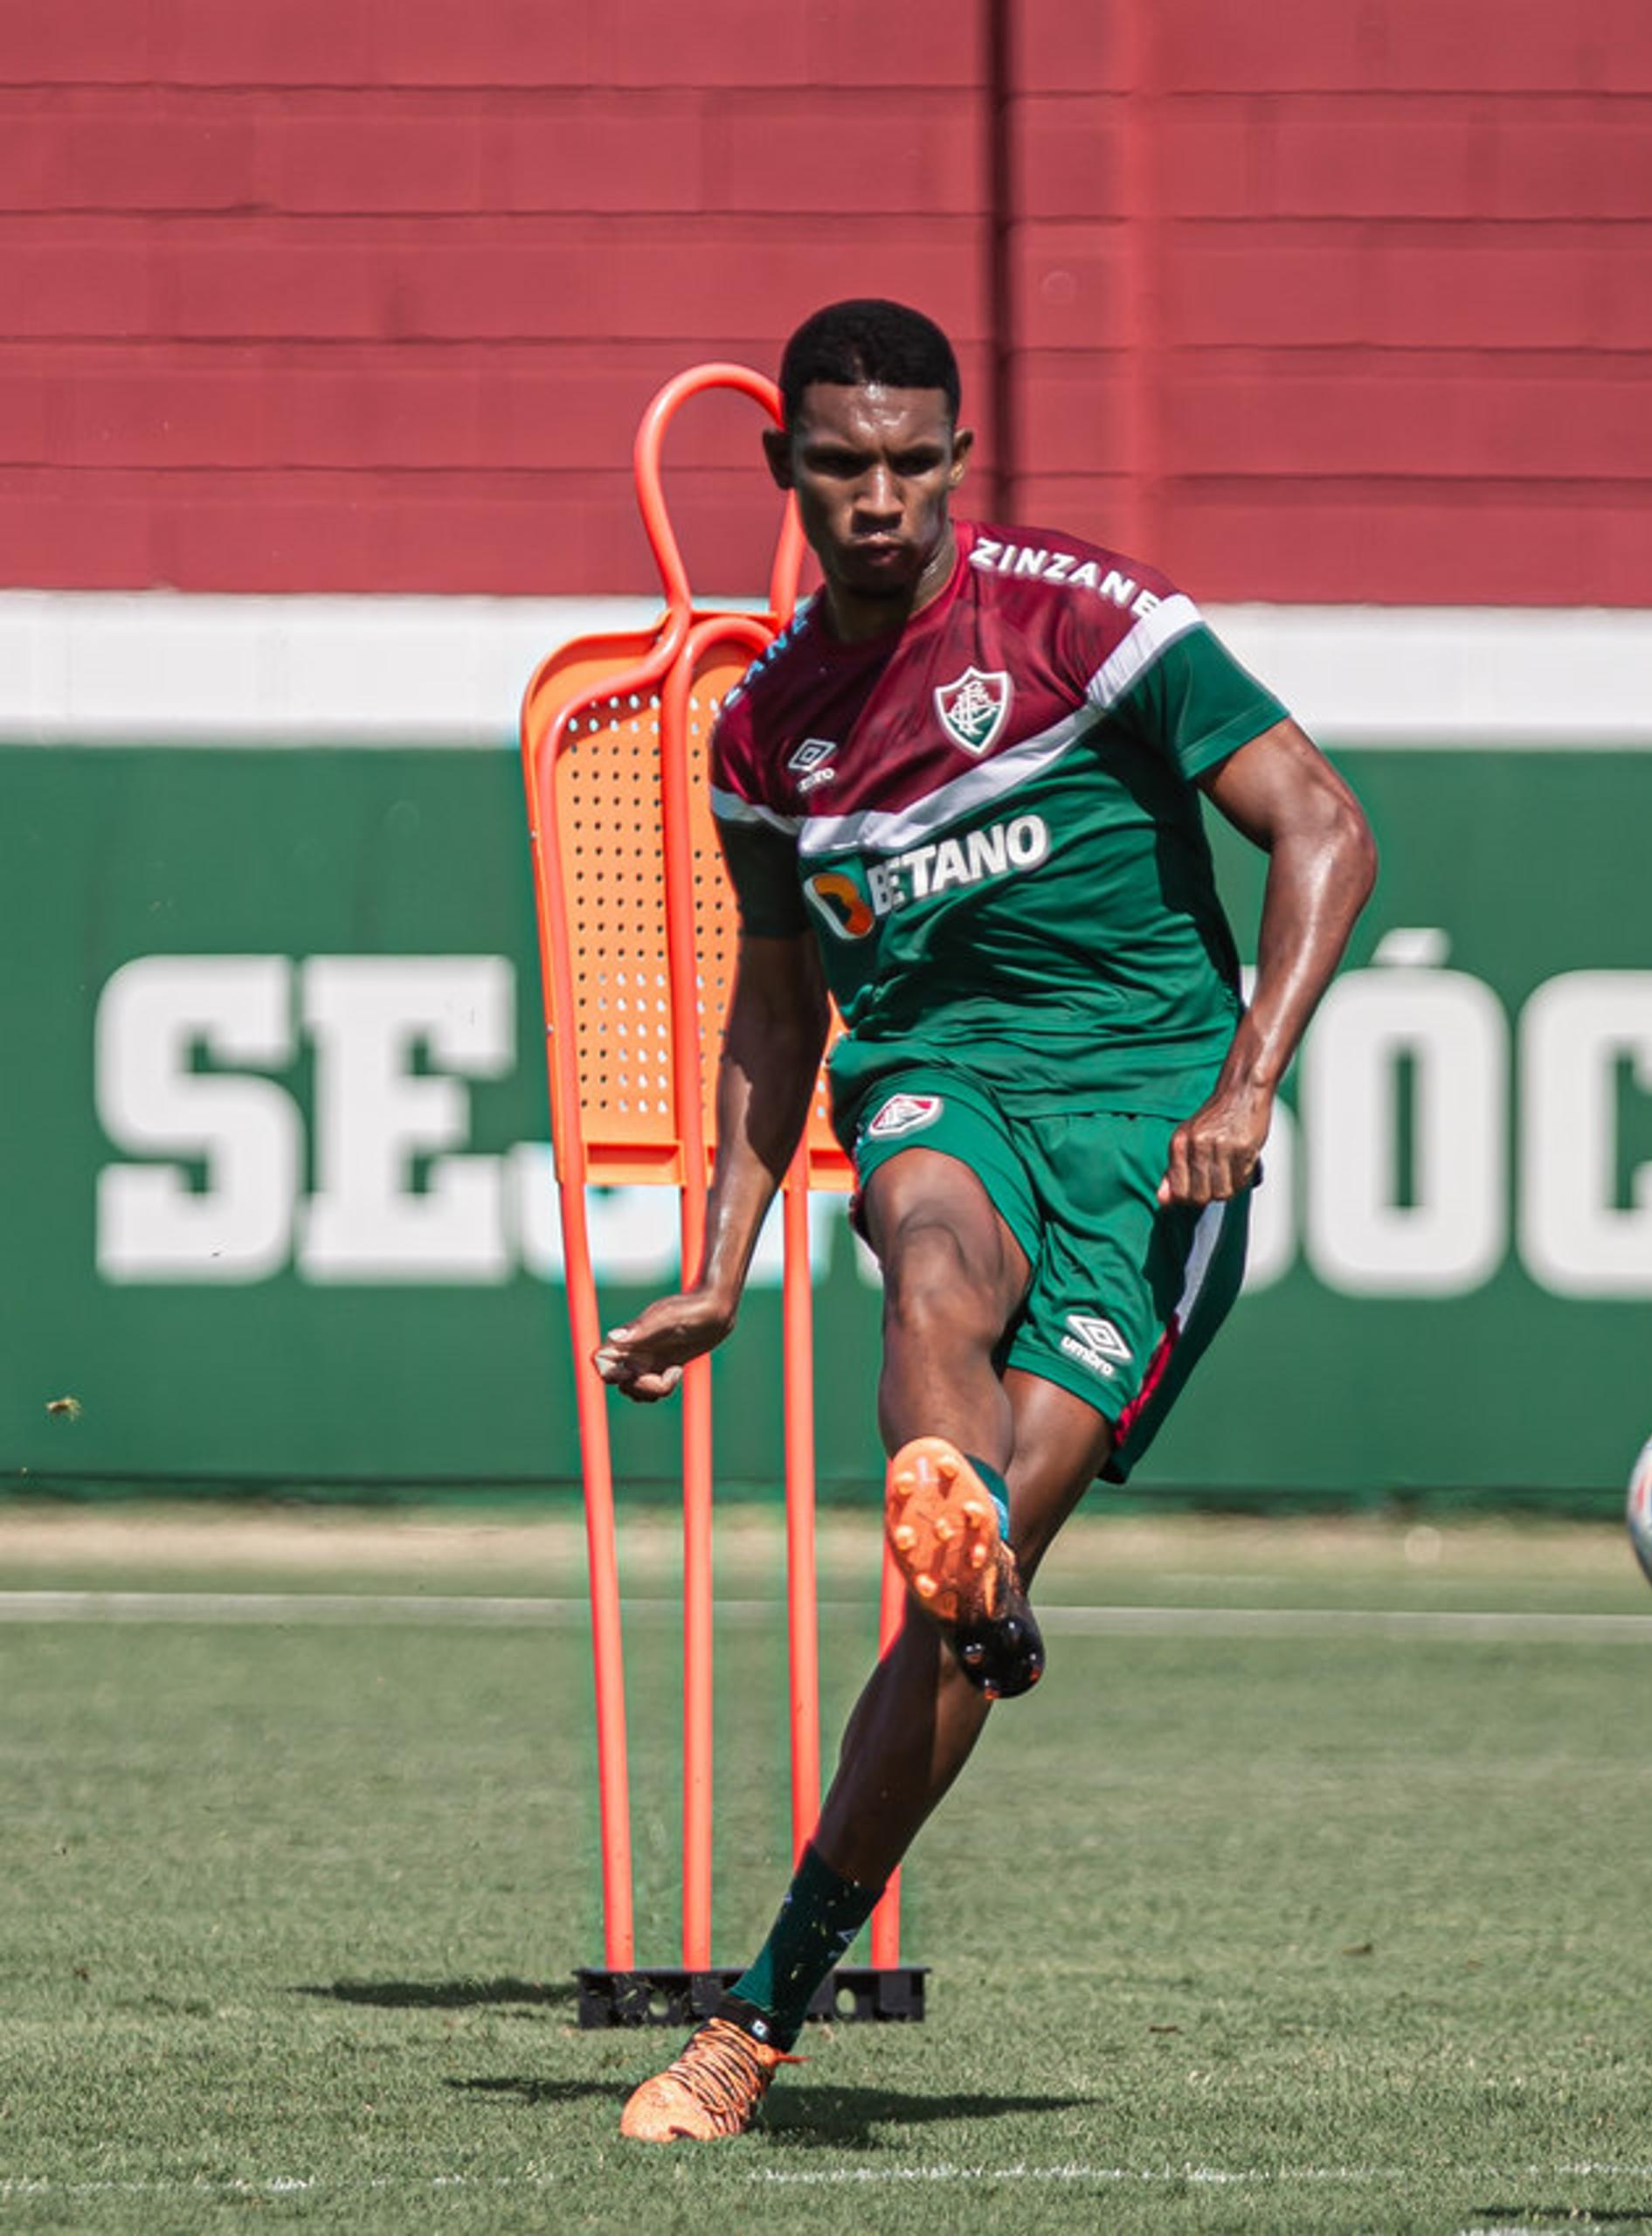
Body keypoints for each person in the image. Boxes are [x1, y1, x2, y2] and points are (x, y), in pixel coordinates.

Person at [595, 298, 1377, 2142]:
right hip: (943, 1073)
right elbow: (781, 1011)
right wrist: (716, 1264)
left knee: (951, 1625)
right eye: (840, 466)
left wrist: (1247, 1081)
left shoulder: (1087, 622)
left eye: (911, 464)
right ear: (785, 471)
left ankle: (775, 1984)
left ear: (959, 462)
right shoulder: (765, 731)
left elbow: (1324, 824)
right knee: (927, 1233)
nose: (878, 499)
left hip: (1152, 1144)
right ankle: (963, 1576)